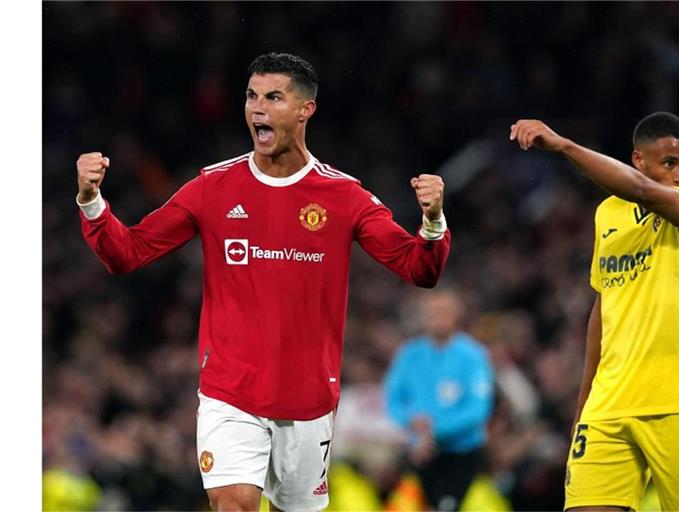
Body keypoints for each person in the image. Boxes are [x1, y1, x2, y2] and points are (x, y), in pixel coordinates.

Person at [76, 52, 451, 512]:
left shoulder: (345, 197)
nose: (257, 108)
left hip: (310, 400)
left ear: (304, 109)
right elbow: (128, 253)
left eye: (274, 97)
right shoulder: (212, 187)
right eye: (252, 96)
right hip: (230, 391)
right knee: (233, 503)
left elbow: (419, 269)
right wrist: (92, 202)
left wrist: (432, 222)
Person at [509, 112, 679, 511]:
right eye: (669, 163)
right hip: (609, 404)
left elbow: (641, 190)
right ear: (639, 159)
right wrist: (584, 406)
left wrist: (564, 146)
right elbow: (603, 307)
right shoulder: (607, 213)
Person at [383, 288, 495, 511]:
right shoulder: (409, 354)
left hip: (460, 455)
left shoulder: (473, 356)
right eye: (432, 311)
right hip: (419, 453)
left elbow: (478, 410)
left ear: (456, 315)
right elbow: (393, 399)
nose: (437, 317)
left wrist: (433, 431)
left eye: (443, 311)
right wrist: (410, 421)